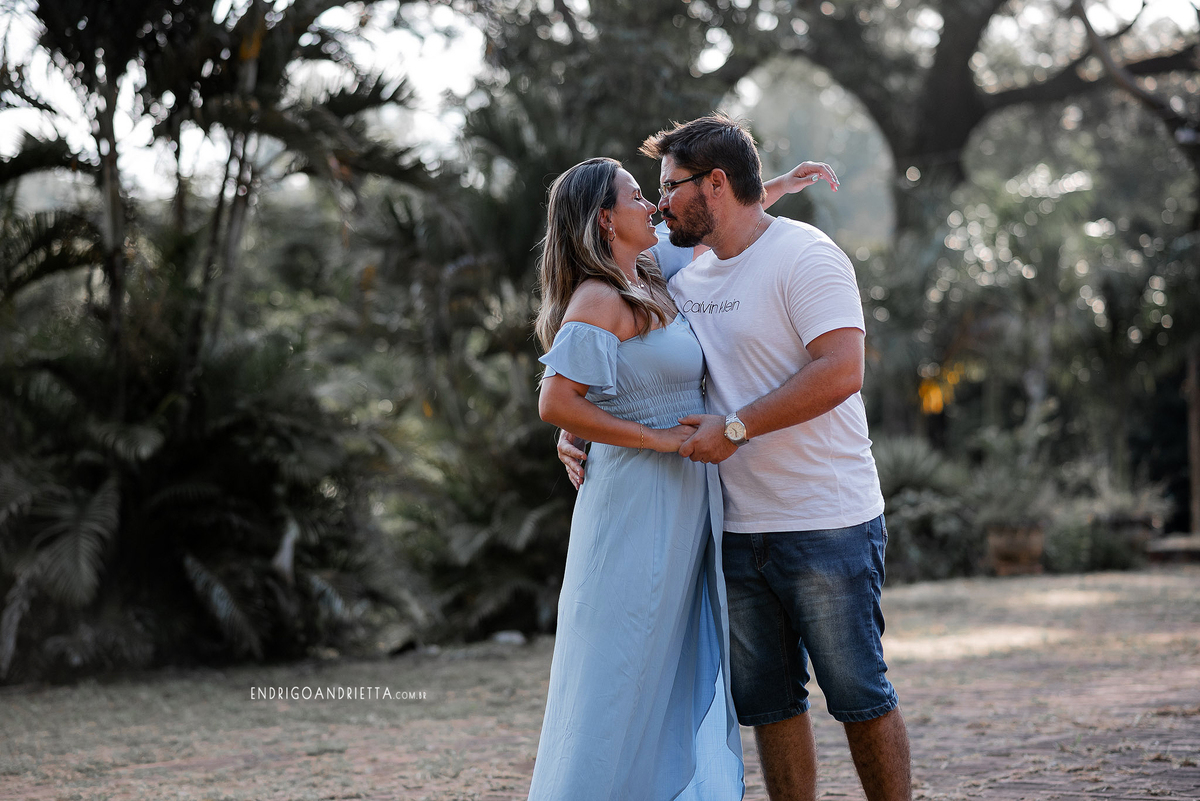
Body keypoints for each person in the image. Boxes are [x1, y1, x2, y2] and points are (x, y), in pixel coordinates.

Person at [558, 114, 913, 801]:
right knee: (770, 705)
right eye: (654, 191)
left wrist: (739, 427)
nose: (659, 203)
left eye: (670, 186)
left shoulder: (806, 255)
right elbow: (596, 315)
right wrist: (573, 421)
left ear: (714, 184)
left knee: (860, 695)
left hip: (826, 519)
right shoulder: (679, 270)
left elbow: (842, 370)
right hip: (733, 529)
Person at [530, 156, 835, 801]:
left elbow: (714, 217)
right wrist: (655, 438)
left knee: (666, 671)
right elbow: (556, 401)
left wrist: (777, 186)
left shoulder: (650, 274)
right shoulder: (599, 297)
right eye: (637, 196)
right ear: (605, 219)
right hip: (635, 506)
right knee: (622, 673)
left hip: (685, 505)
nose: (653, 205)